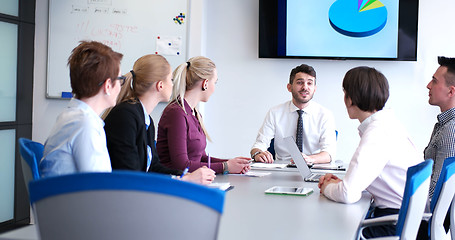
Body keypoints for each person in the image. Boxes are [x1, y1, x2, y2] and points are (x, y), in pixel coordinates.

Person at [318, 66, 422, 238]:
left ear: (349, 98)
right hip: (405, 220)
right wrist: (343, 183)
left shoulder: (377, 132)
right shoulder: (388, 124)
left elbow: (347, 194)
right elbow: (367, 178)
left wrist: (327, 187)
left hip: (393, 224)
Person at [103, 54, 215, 184]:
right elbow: (130, 176)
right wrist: (184, 179)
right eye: (171, 80)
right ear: (160, 85)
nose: (173, 85)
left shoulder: (147, 121)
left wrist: (187, 176)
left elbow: (154, 167)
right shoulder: (125, 116)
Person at [40, 41, 123, 177]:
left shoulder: (73, 116)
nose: (120, 86)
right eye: (120, 79)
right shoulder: (85, 125)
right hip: (74, 198)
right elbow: (98, 188)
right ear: (108, 85)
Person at [156, 56, 250, 174]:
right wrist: (225, 166)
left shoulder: (194, 113)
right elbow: (181, 165)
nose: (214, 88)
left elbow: (201, 158)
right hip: (175, 183)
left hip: (192, 180)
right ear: (205, 83)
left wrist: (231, 163)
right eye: (214, 82)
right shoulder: (176, 113)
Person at [250, 64, 336, 164]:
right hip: (282, 170)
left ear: (314, 89)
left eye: (309, 83)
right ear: (289, 87)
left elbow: (329, 154)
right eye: (300, 83)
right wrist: (257, 154)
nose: (305, 87)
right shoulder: (275, 113)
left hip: (314, 167)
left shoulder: (325, 115)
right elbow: (259, 145)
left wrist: (310, 159)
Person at [417, 56, 455, 239]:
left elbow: (436, 195)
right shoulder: (444, 124)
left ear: (451, 91)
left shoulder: (450, 130)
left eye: (434, 81)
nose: (428, 86)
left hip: (425, 223)